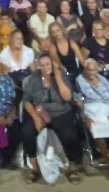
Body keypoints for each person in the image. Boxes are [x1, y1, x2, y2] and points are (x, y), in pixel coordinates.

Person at [22, 53, 84, 183]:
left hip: (60, 112)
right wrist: (35, 117)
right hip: (40, 112)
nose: (45, 67)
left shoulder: (61, 75)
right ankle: (35, 169)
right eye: (42, 65)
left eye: (48, 64)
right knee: (27, 132)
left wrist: (57, 75)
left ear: (53, 64)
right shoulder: (35, 78)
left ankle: (72, 167)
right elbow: (26, 100)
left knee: (69, 134)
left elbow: (67, 97)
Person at [76, 58, 109, 179]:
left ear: (97, 69)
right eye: (89, 70)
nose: (91, 73)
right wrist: (85, 116)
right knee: (99, 136)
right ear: (85, 70)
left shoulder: (104, 80)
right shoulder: (80, 80)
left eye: (94, 70)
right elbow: (78, 100)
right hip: (92, 109)